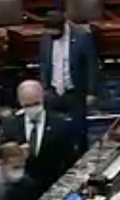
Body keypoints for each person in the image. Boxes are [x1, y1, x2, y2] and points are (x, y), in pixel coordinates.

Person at [39, 11, 98, 156]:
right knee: (53, 129)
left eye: (55, 33)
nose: (52, 36)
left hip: (75, 91)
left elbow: (92, 65)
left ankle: (81, 158)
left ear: (63, 26)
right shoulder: (46, 37)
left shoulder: (82, 36)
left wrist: (91, 91)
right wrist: (44, 87)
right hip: (52, 91)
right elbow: (44, 62)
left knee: (79, 130)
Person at [1, 80, 73, 189]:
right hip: (20, 187)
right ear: (20, 102)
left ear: (42, 98)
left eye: (36, 103)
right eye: (27, 105)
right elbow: (3, 158)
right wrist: (17, 154)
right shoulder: (11, 126)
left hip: (51, 185)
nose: (32, 109)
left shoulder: (61, 125)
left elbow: (70, 160)